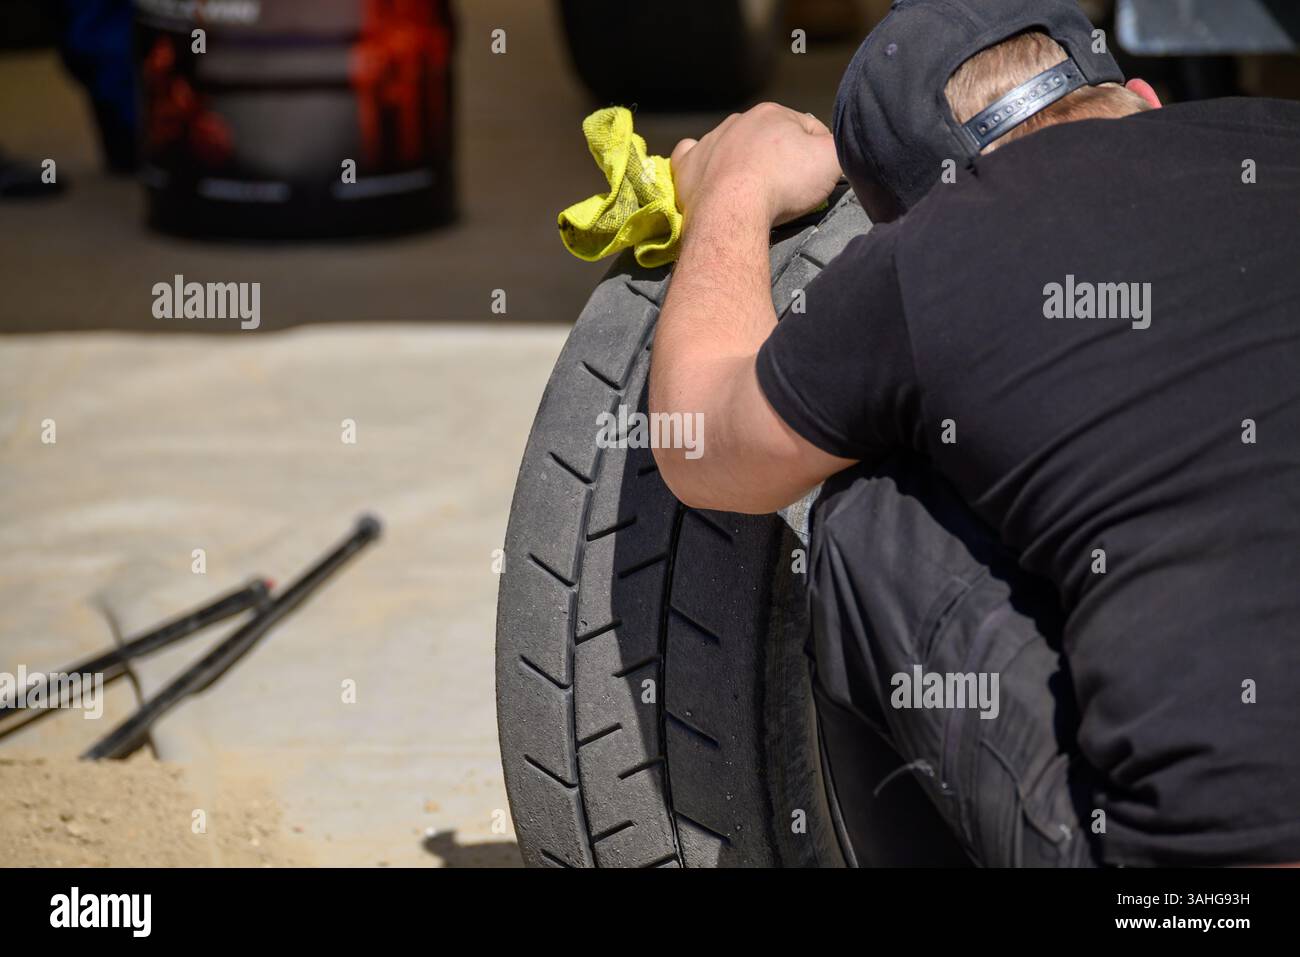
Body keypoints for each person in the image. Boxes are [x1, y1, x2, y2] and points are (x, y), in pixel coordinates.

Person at [649, 0, 1300, 866]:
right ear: (1142, 94)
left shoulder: (929, 256)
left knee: (866, 518)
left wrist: (732, 186)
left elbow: (702, 441)